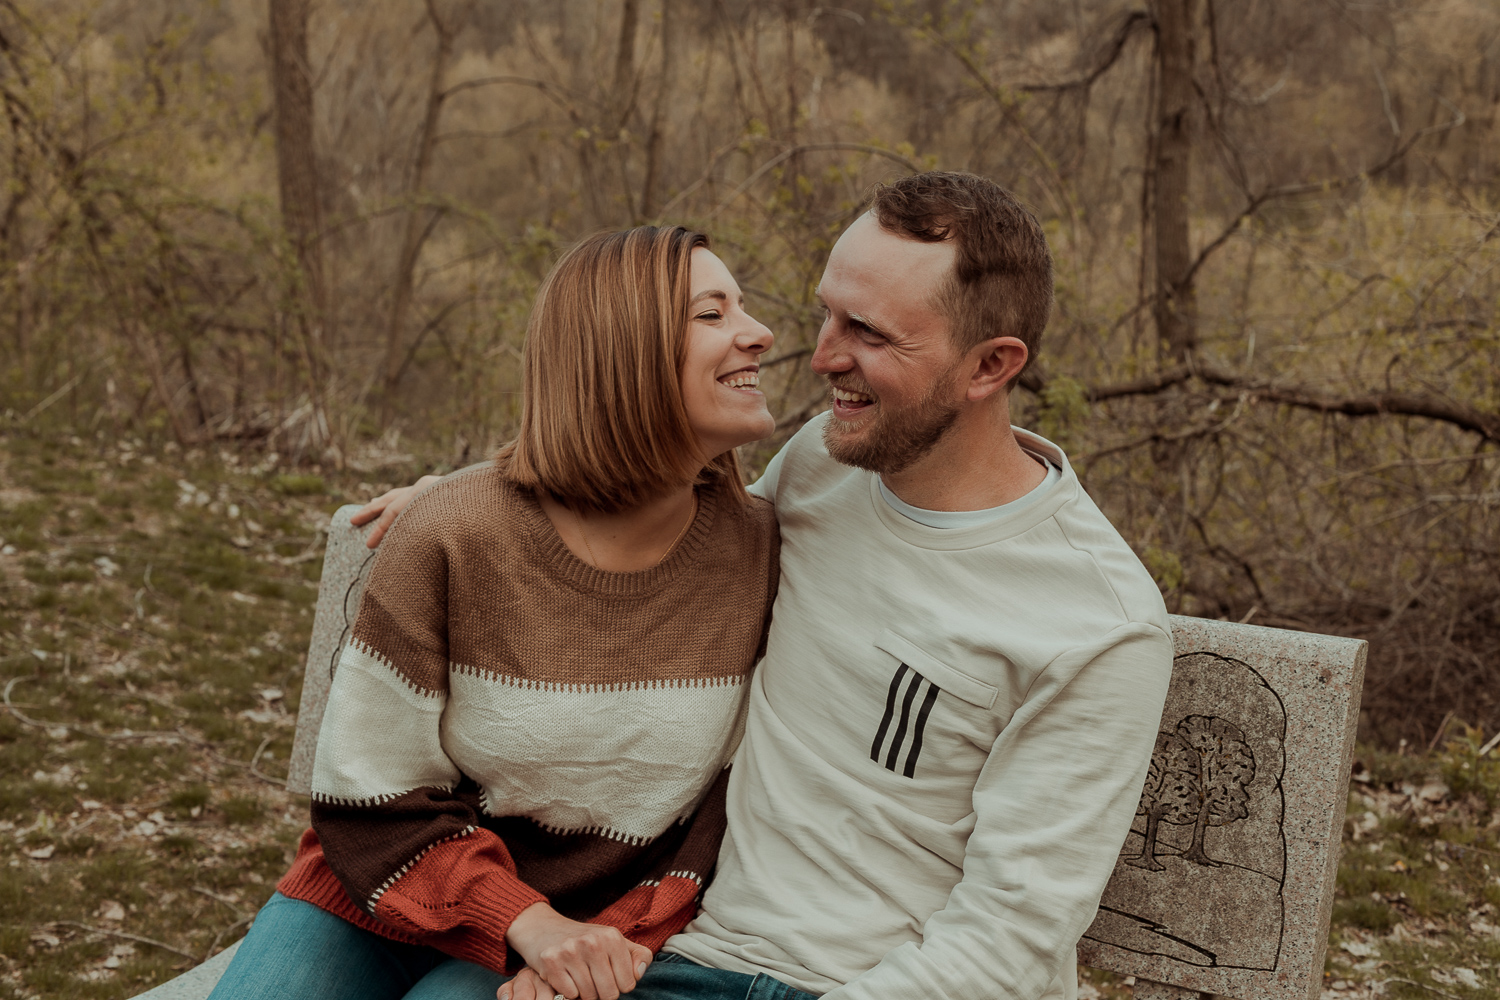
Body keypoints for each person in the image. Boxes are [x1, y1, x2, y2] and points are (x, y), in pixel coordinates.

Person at [362, 172, 1175, 1000]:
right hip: (683, 951)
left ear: (990, 365)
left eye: (870, 333)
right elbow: (664, 519)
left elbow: (1008, 942)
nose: (821, 356)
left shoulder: (1095, 624)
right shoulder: (828, 462)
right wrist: (484, 504)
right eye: (829, 311)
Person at [208, 225, 783, 1000]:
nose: (760, 333)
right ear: (621, 353)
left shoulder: (766, 554)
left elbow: (716, 821)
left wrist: (603, 945)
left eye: (740, 308)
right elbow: (369, 793)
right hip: (380, 890)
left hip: (581, 935)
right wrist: (524, 920)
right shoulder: (456, 534)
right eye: (712, 314)